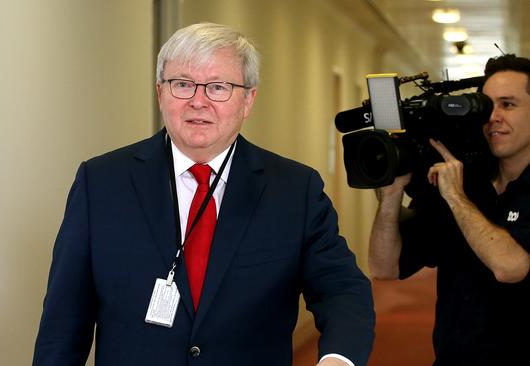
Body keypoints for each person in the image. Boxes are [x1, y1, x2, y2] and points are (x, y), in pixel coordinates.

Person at [33, 22, 375, 366]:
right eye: (182, 84)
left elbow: (342, 290)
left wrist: (338, 359)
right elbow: (64, 323)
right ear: (160, 93)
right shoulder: (102, 182)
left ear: (248, 99)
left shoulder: (294, 190)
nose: (198, 101)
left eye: (218, 87)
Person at [369, 53, 530, 365]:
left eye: (508, 104)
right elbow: (384, 267)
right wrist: (390, 198)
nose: (494, 116)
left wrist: (456, 198)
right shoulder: (464, 179)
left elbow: (510, 267)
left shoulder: (458, 191)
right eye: (487, 105)